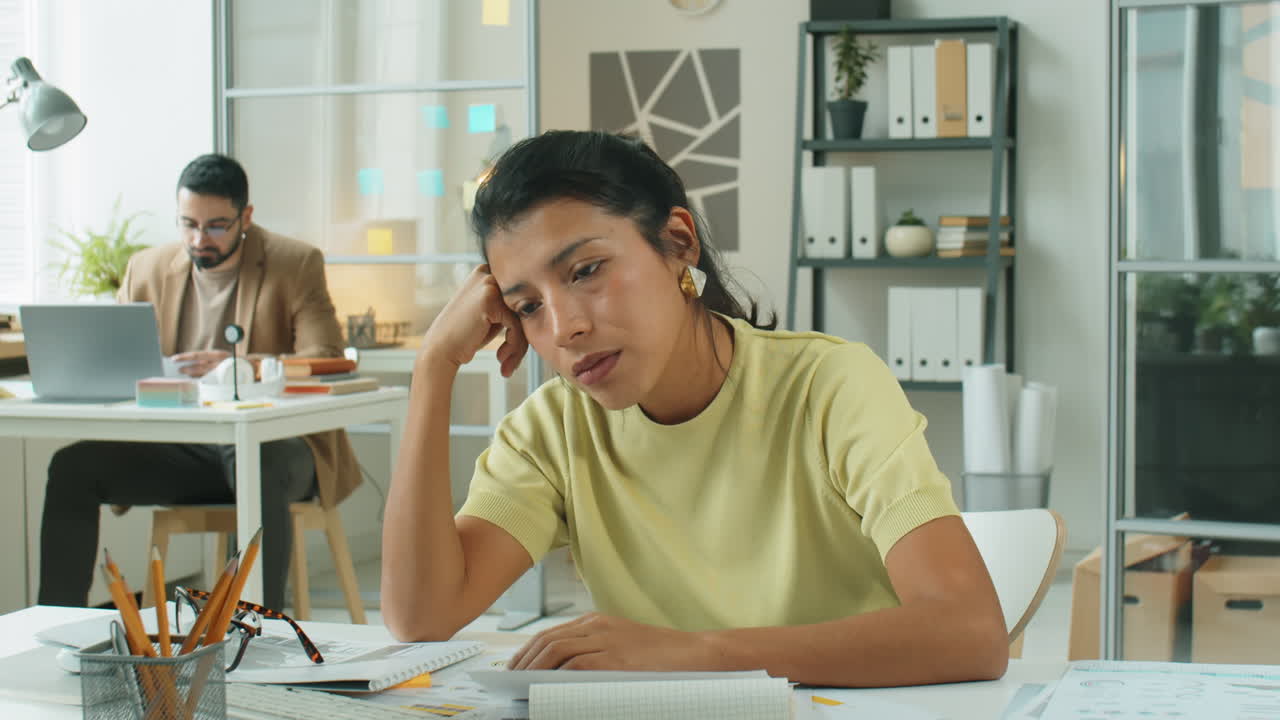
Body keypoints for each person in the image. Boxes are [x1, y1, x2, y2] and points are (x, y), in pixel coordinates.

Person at [380, 131, 1008, 687]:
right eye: (528, 307)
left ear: (678, 242)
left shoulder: (829, 388)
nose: (564, 327)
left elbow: (971, 632)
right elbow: (420, 616)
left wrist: (691, 654)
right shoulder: (552, 430)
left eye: (586, 270)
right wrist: (434, 367)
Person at [39, 153, 360, 612]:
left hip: (279, 448)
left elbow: (326, 356)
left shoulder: (294, 264)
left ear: (245, 217)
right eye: (188, 224)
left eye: (215, 226)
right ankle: (56, 622)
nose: (198, 239)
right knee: (73, 467)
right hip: (185, 447)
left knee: (253, 460)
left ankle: (258, 626)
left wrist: (243, 365)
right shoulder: (146, 269)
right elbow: (119, 360)